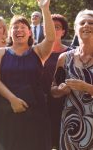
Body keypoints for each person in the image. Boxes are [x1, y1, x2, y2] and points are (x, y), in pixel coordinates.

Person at [0, 0, 55, 150]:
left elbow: (51, 37)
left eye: (22, 27)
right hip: (6, 108)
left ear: (29, 32)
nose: (19, 30)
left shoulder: (38, 51)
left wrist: (45, 10)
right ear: (10, 32)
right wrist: (13, 100)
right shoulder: (0, 53)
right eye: (15, 27)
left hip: (35, 109)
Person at [51, 9, 93, 150]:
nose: (86, 25)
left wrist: (87, 88)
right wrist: (61, 90)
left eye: (91, 22)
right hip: (70, 122)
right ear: (76, 29)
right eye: (82, 22)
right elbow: (53, 90)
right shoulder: (64, 58)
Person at [40, 14, 71, 149]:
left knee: (60, 141)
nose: (53, 29)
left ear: (63, 31)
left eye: (57, 27)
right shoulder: (36, 51)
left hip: (63, 104)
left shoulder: (71, 53)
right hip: (40, 103)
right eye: (49, 26)